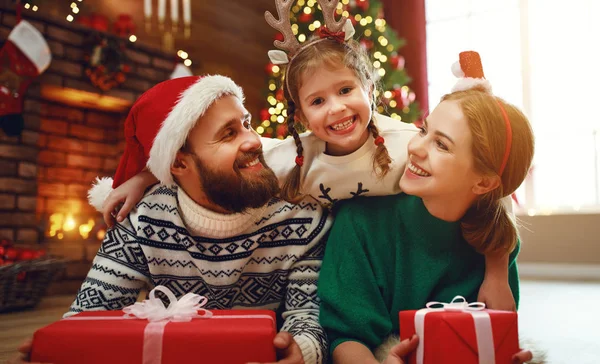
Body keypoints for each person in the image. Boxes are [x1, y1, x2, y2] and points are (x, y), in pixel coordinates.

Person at [94, 0, 516, 313]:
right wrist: (144, 179)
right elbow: (228, 168)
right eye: (317, 100)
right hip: (338, 260)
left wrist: (496, 273)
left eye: (346, 90)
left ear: (369, 89)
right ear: (301, 116)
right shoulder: (294, 157)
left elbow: (489, 189)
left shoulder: (409, 143)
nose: (336, 108)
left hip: (395, 248)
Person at [11, 75, 331, 364]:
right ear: (178, 164)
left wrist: (300, 351)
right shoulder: (142, 220)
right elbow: (91, 314)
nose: (253, 140)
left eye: (246, 124)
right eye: (228, 134)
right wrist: (62, 349)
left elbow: (306, 314)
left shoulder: (301, 214)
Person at [317, 51, 536, 363]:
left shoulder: (495, 246)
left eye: (442, 145)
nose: (416, 148)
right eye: (423, 130)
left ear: (484, 184)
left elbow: (486, 343)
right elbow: (345, 338)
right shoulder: (360, 222)